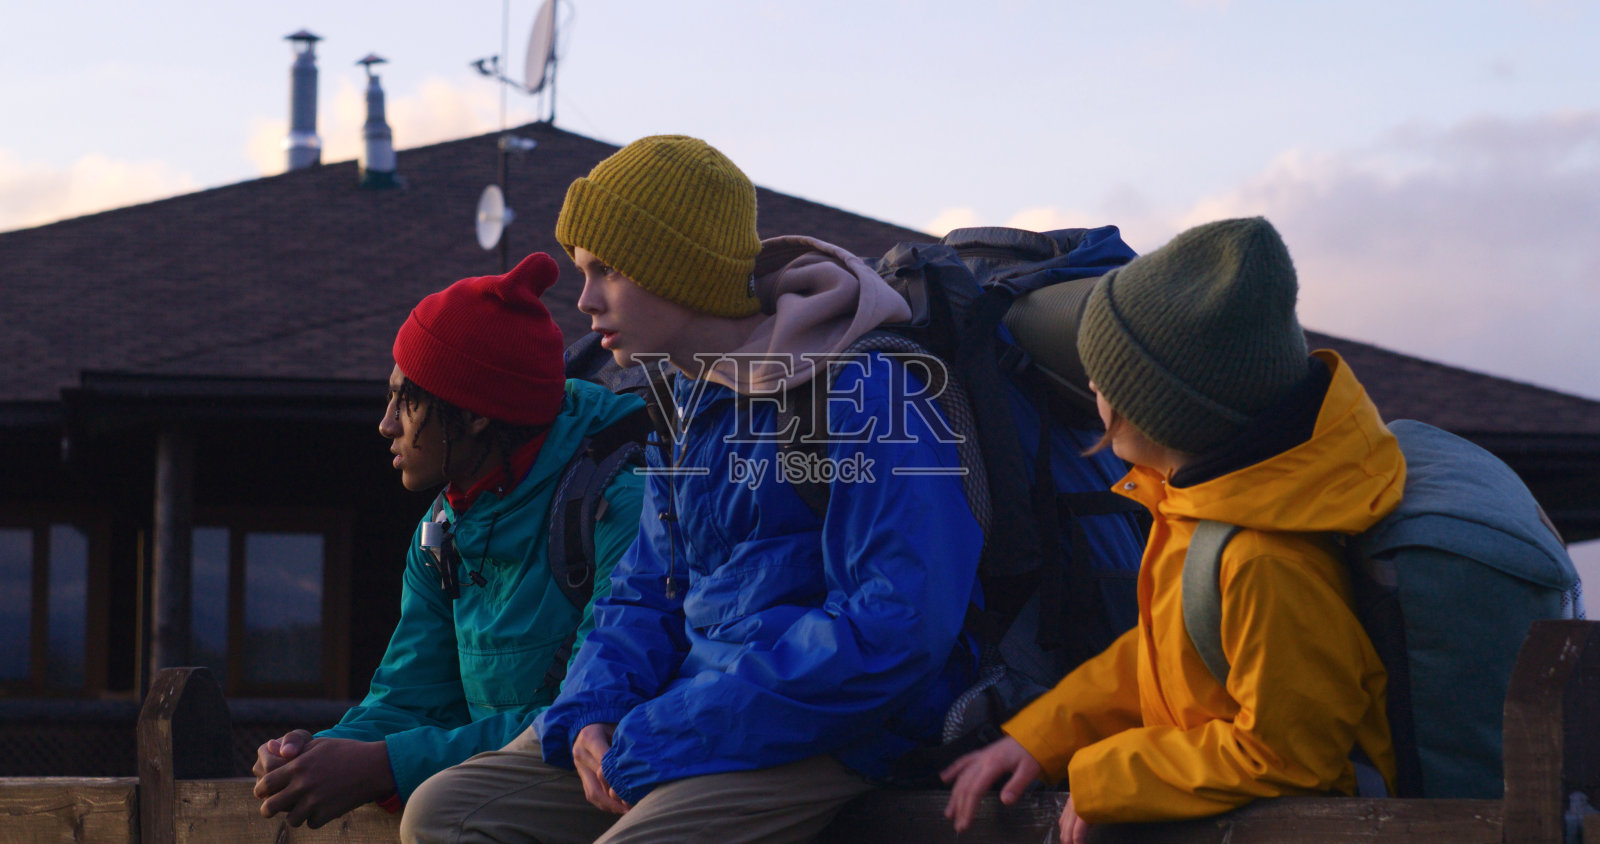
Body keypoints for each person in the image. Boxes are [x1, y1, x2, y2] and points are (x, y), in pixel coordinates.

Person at [400, 135, 985, 843]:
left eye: (607, 271)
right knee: (448, 814)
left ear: (675, 267)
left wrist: (673, 732)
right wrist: (593, 710)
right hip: (688, 714)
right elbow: (645, 590)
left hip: (843, 729)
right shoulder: (686, 401)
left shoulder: (867, 393)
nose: (583, 301)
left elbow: (898, 629)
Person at [942, 217, 1400, 842]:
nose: (1091, 384)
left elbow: (1288, 757)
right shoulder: (1196, 508)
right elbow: (1156, 658)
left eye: (1103, 375)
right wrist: (1041, 737)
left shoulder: (1262, 559)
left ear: (1164, 411)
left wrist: (1106, 778)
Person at [250, 252, 646, 829]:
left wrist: (382, 764)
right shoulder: (442, 532)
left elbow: (594, 713)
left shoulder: (618, 504)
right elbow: (411, 695)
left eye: (405, 401)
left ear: (477, 416)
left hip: (612, 778)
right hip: (516, 786)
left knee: (437, 818)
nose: (386, 424)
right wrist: (315, 755)